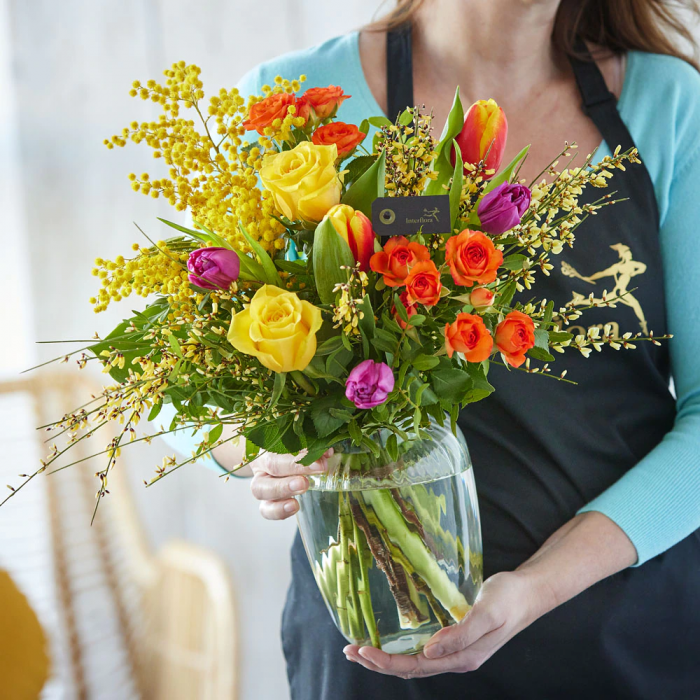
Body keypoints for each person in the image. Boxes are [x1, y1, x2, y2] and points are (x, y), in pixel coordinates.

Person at [200, 1, 700, 697]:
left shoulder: (672, 105)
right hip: (374, 642)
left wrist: (534, 589)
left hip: (619, 636)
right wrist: (260, 449)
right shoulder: (296, 103)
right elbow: (196, 373)